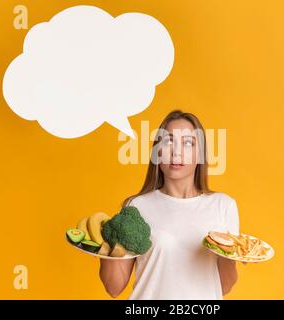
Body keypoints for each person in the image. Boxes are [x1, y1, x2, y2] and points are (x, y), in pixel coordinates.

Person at [99, 110, 242, 299]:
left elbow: (223, 286)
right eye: (168, 141)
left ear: (200, 154)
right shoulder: (136, 207)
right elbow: (114, 287)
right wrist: (103, 247)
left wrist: (228, 256)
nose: (176, 152)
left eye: (188, 143)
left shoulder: (223, 206)